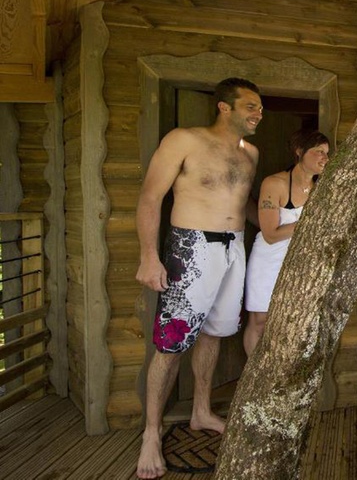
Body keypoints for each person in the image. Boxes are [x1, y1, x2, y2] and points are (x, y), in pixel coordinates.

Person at [134, 78, 262, 479]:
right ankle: (151, 434)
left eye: (260, 108)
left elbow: (243, 204)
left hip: (234, 248)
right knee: (171, 342)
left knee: (213, 333)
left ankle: (201, 411)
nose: (259, 114)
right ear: (224, 107)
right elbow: (150, 198)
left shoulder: (251, 154)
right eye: (251, 107)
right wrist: (149, 256)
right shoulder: (183, 140)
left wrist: (288, 222)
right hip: (190, 247)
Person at [243, 130, 330, 355]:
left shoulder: (323, 188)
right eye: (318, 151)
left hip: (303, 262)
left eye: (327, 153)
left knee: (293, 321)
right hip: (269, 258)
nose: (324, 158)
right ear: (299, 152)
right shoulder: (275, 183)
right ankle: (253, 381)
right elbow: (270, 234)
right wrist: (309, 224)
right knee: (261, 320)